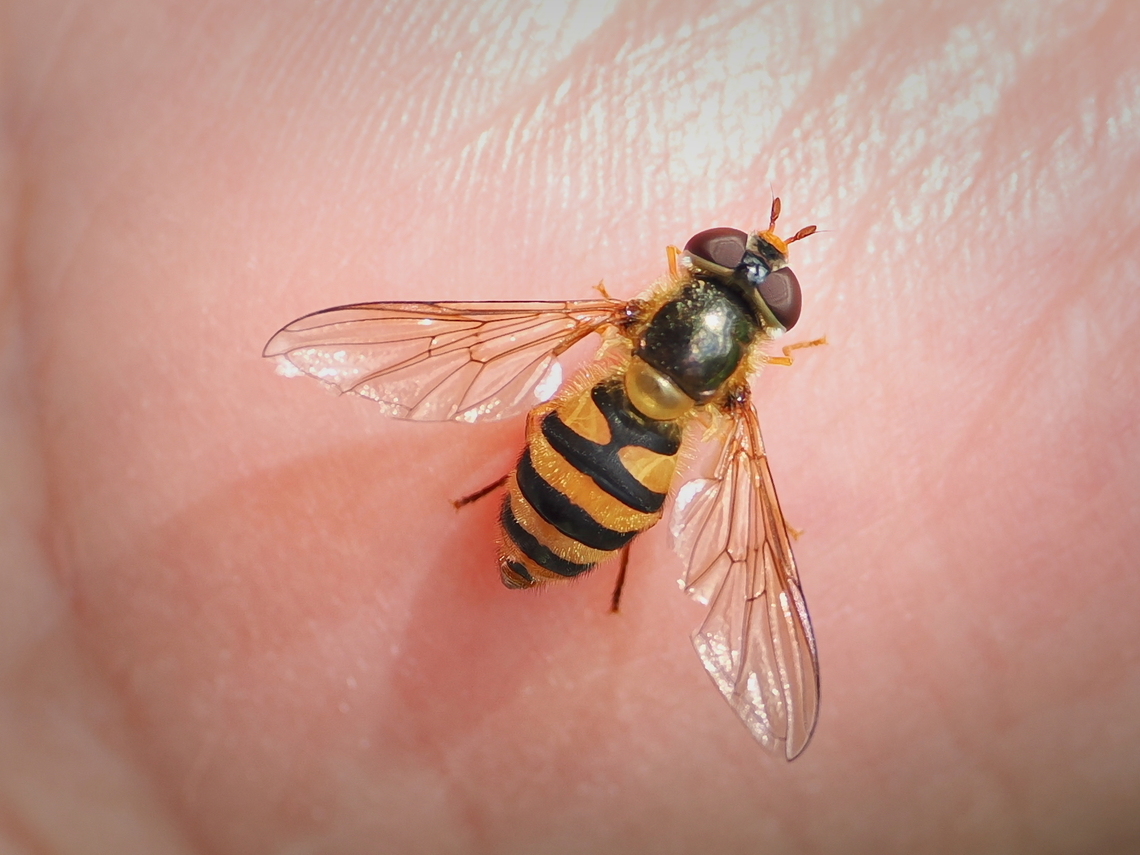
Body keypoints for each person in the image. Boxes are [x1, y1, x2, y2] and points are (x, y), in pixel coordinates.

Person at [2, 1, 1136, 851]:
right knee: (714, 519)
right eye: (757, 275)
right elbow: (747, 552)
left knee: (519, 371)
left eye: (745, 268)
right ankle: (572, 534)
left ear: (680, 281)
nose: (755, 267)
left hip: (582, 448)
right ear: (765, 341)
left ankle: (537, 513)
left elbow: (451, 341)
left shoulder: (625, 315)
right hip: (617, 473)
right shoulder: (738, 405)